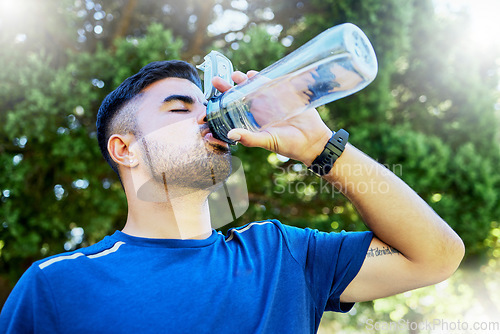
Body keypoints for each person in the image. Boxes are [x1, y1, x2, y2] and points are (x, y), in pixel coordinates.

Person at [0, 60, 464, 333]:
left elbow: (437, 256)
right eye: (181, 109)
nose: (209, 120)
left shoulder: (281, 256)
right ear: (125, 149)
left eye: (208, 106)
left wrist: (321, 148)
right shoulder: (55, 287)